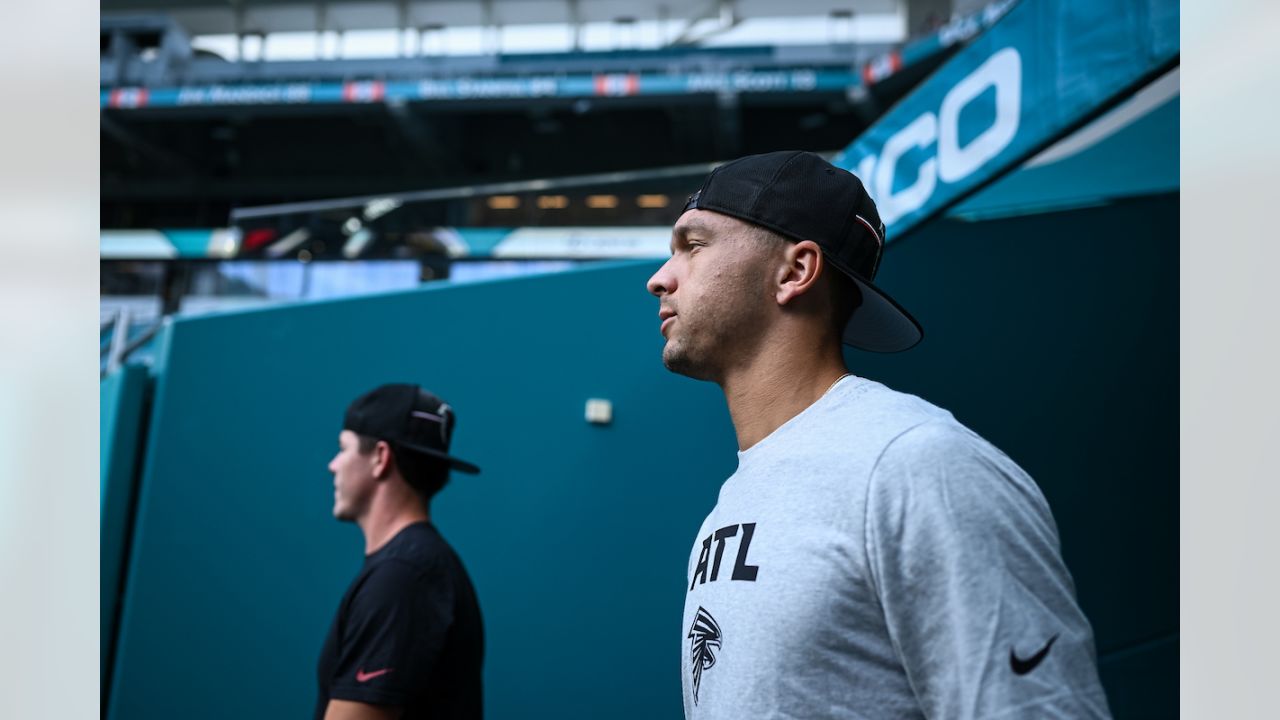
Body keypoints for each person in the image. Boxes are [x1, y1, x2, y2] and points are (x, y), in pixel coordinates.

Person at [646, 151, 1112, 719]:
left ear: (795, 271)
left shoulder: (917, 463)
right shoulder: (732, 502)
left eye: (693, 246)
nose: (659, 279)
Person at [316, 383, 484, 720]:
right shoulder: (413, 567)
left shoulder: (403, 577)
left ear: (380, 457)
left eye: (343, 449)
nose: (332, 465)